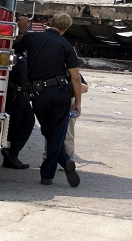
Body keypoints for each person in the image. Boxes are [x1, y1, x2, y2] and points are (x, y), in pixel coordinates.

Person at [14, 13, 82, 187]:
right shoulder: (67, 46)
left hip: (38, 94)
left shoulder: (32, 38)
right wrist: (78, 103)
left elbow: (15, 50)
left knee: (47, 131)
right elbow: (75, 79)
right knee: (56, 135)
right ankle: (49, 173)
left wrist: (22, 30)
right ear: (66, 28)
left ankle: (60, 163)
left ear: (50, 23)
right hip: (60, 94)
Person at [43, 72, 88, 166]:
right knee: (54, 133)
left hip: (67, 103)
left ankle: (66, 161)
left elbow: (84, 88)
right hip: (55, 102)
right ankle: (51, 160)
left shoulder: (71, 72)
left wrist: (70, 84)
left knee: (65, 133)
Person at [1, 52, 35, 169]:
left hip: (21, 94)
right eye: (19, 32)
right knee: (18, 124)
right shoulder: (12, 50)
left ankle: (11, 154)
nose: (20, 35)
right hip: (15, 94)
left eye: (22, 32)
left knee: (24, 123)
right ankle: (11, 153)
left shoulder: (24, 51)